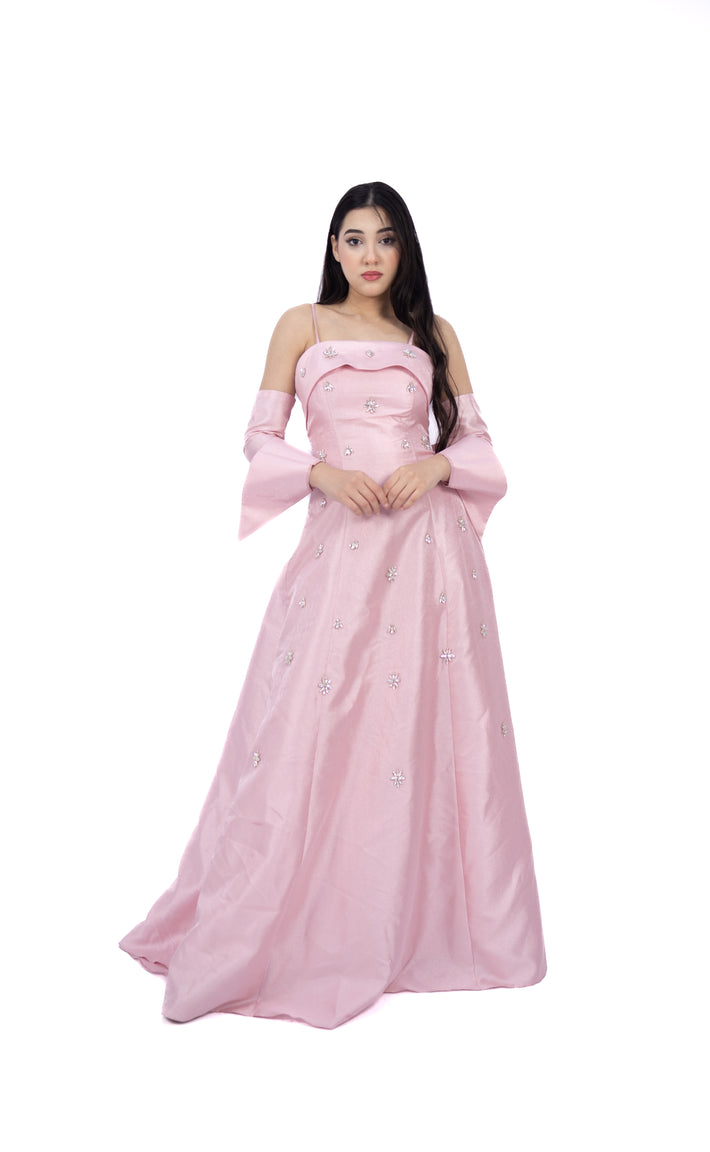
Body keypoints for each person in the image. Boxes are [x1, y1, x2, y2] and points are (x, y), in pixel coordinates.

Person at [119, 181, 547, 1029]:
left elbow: (477, 440)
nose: (370, 255)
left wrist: (439, 465)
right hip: (341, 544)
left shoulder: (434, 334)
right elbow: (257, 438)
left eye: (385, 238)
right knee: (308, 714)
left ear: (405, 248)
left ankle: (413, 923)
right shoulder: (302, 326)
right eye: (354, 238)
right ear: (334, 247)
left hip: (429, 554)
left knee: (423, 724)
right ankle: (285, 916)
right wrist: (322, 473)